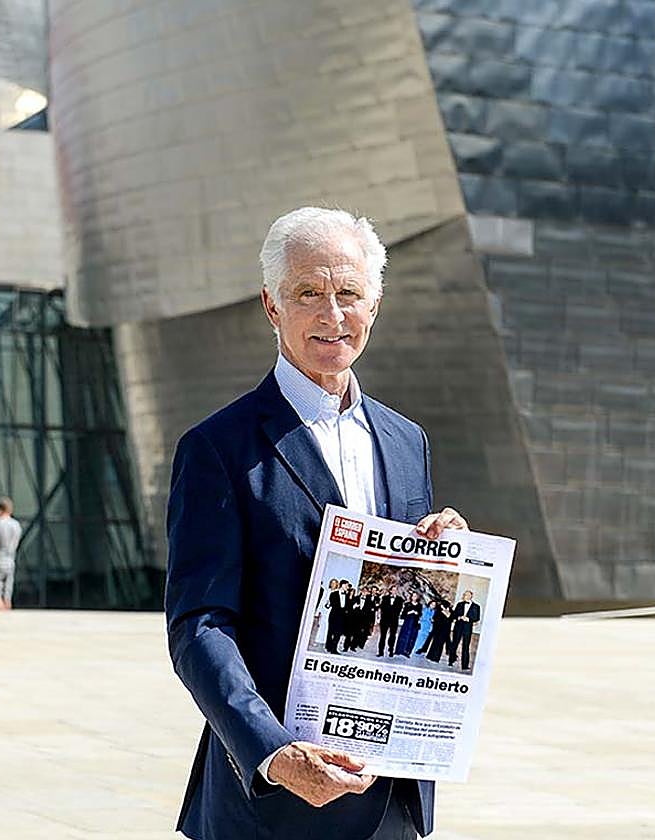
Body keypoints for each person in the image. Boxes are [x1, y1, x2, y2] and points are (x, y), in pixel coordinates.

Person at [165, 207, 468, 840]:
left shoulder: (406, 440)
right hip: (271, 804)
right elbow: (200, 626)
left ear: (375, 305)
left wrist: (446, 561)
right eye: (309, 293)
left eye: (349, 294)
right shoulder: (218, 448)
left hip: (390, 799)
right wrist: (272, 753)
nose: (332, 315)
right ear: (272, 306)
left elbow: (405, 603)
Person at [449, 590, 482, 670]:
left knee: (466, 646)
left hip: (467, 628)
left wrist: (469, 619)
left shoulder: (476, 606)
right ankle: (451, 660)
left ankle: (465, 665)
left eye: (467, 595)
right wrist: (459, 617)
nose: (465, 596)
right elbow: (454, 615)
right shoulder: (459, 604)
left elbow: (477, 618)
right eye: (464, 595)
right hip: (458, 627)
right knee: (454, 644)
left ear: (471, 596)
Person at [376, 585, 404, 657]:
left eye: (395, 590)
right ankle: (380, 651)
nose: (394, 591)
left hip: (394, 620)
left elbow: (399, 610)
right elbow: (383, 608)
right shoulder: (384, 598)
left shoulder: (400, 599)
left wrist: (392, 611)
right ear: (390, 591)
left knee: (392, 636)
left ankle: (391, 650)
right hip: (385, 620)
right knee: (383, 636)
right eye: (393, 590)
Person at [393, 593, 423, 657]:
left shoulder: (420, 606)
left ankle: (407, 652)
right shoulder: (407, 604)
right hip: (407, 623)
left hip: (414, 624)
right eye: (413, 596)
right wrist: (409, 612)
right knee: (403, 636)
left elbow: (420, 614)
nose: (414, 597)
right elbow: (403, 615)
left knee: (411, 638)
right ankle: (399, 650)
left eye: (415, 596)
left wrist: (417, 613)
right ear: (411, 597)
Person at [325, 580, 351, 654]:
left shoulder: (347, 595)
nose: (347, 587)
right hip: (334, 616)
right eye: (346, 585)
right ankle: (328, 646)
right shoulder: (333, 594)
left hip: (342, 617)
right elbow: (333, 605)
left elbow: (347, 607)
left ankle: (334, 649)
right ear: (342, 585)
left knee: (338, 633)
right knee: (330, 632)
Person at [314, 579, 338, 647]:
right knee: (321, 625)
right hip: (324, 610)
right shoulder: (326, 591)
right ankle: (318, 640)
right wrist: (318, 611)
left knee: (329, 626)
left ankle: (326, 641)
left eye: (334, 583)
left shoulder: (337, 592)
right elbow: (322, 601)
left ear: (337, 584)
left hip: (332, 611)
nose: (333, 584)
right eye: (332, 583)